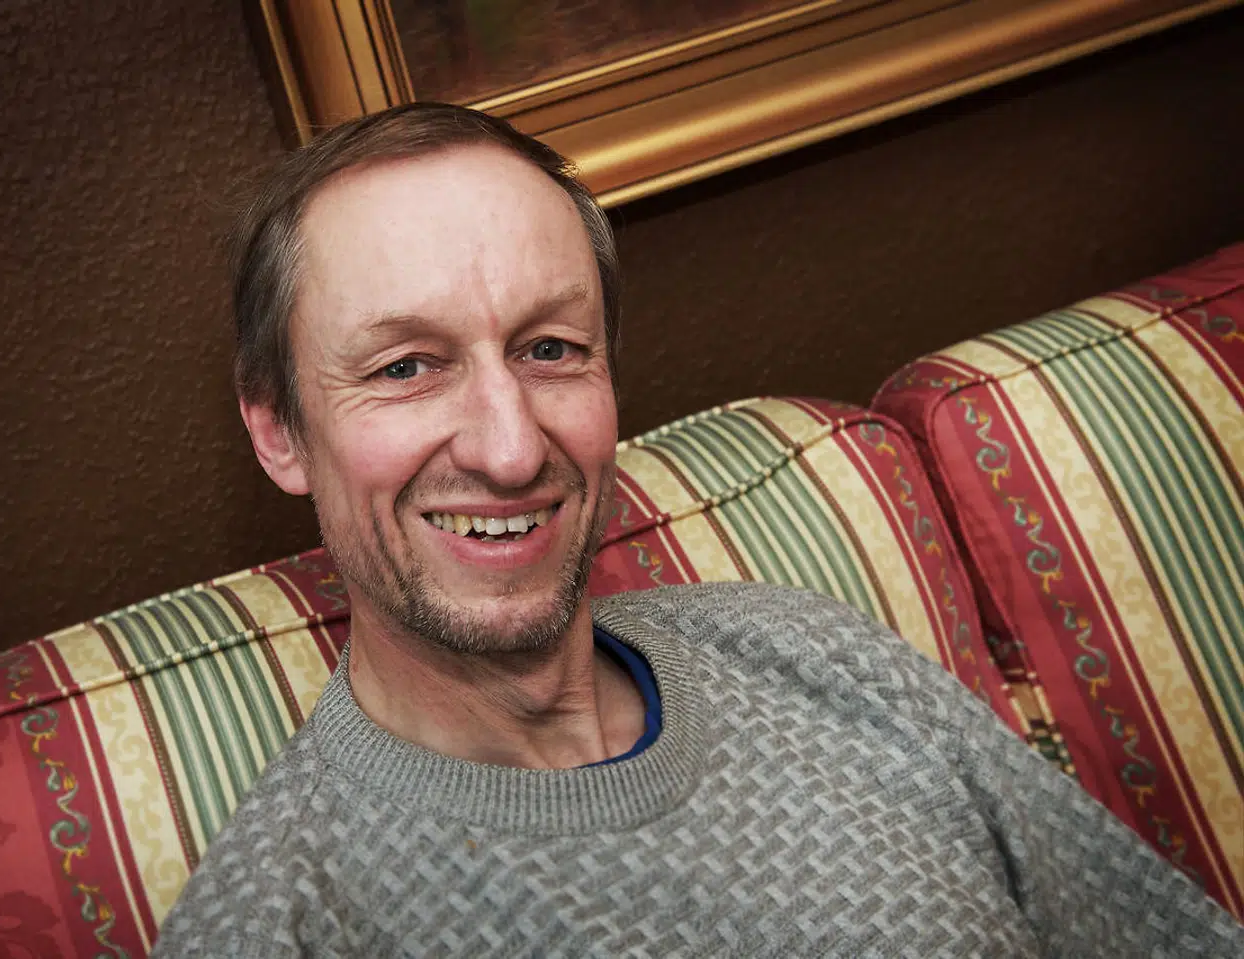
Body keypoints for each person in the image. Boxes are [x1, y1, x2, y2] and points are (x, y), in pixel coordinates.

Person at [150, 102, 1244, 957]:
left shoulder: (812, 652)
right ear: (280, 429)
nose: (511, 449)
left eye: (550, 349)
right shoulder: (277, 924)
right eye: (405, 367)